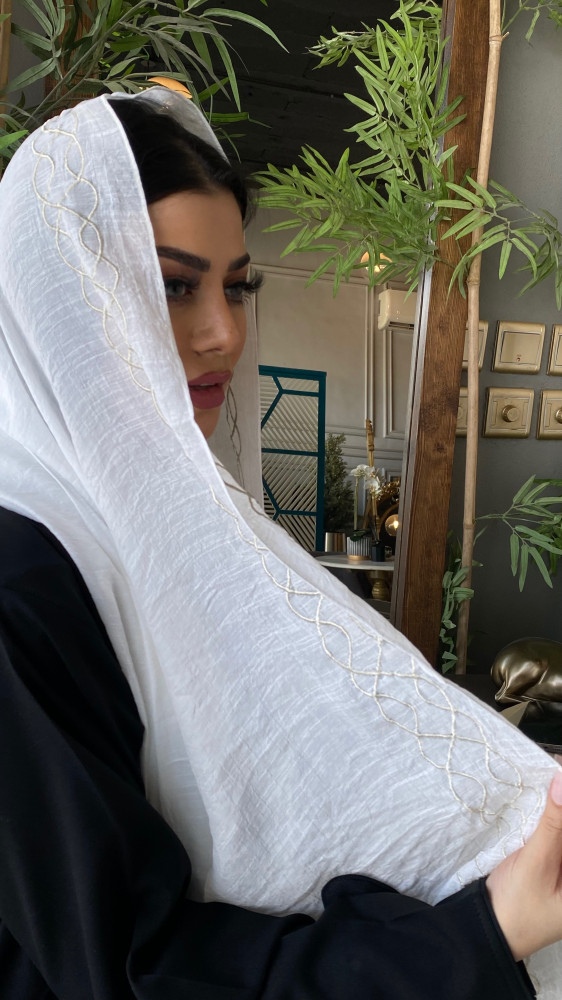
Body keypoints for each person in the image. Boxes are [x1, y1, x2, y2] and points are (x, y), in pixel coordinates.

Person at [0, 87, 560, 1000]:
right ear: (61, 304)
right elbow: (124, 967)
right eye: (172, 285)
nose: (223, 332)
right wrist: (480, 933)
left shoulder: (178, 528)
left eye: (237, 286)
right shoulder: (22, 578)